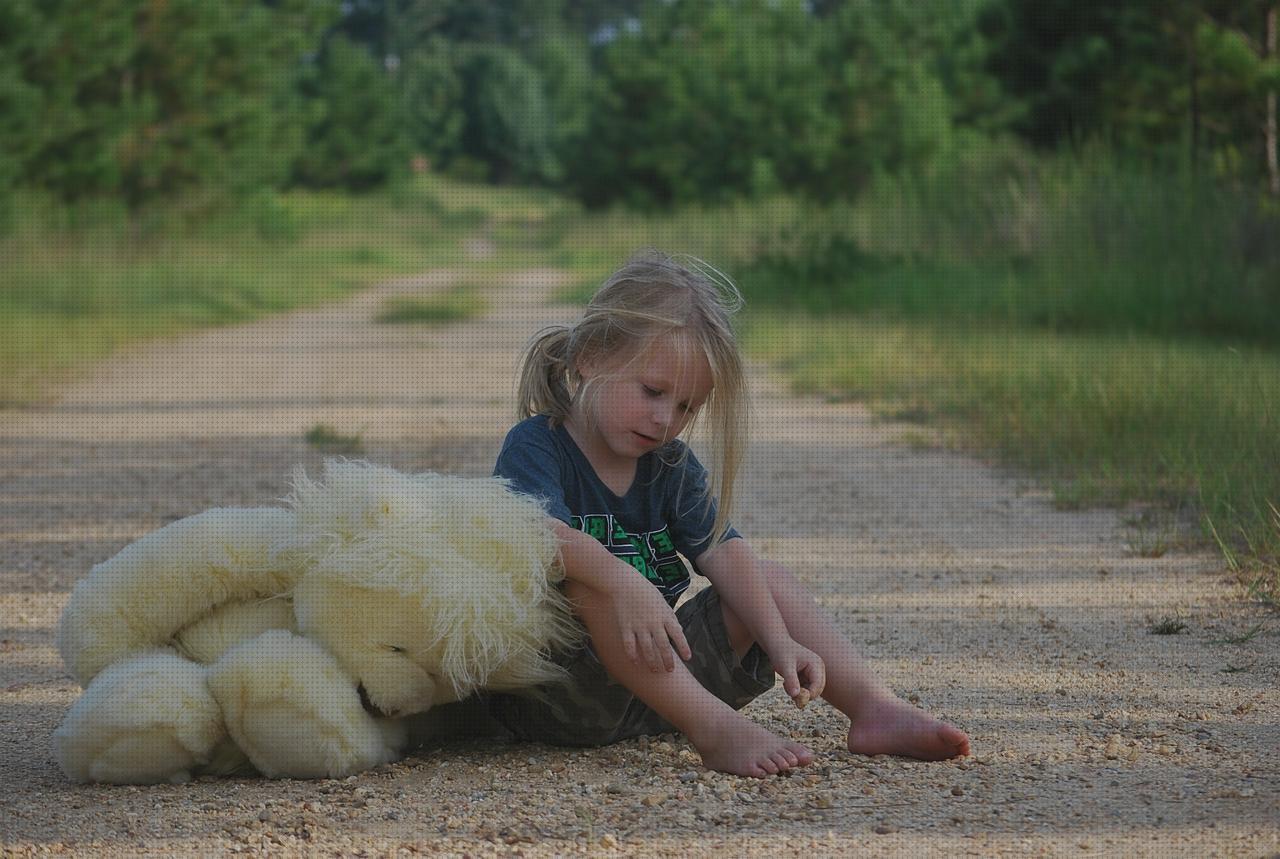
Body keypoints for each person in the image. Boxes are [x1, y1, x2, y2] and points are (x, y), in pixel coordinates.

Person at [486, 250, 970, 778]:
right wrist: (624, 582)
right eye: (652, 391)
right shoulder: (538, 445)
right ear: (592, 357)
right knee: (588, 584)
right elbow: (535, 535)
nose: (665, 419)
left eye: (687, 407)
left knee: (761, 576)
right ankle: (715, 733)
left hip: (665, 688)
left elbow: (723, 550)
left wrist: (780, 638)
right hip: (562, 696)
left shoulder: (667, 463)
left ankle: (874, 708)